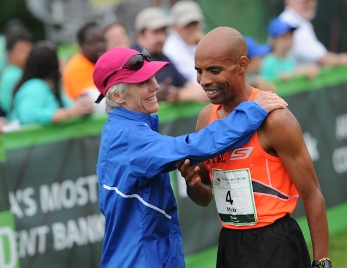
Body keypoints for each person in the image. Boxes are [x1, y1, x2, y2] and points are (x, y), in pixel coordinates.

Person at [92, 47, 287, 267]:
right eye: (142, 82)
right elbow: (192, 147)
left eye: (152, 77)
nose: (156, 85)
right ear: (117, 95)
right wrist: (252, 111)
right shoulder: (127, 136)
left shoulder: (125, 129)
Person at [176, 27, 331, 268]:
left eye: (214, 70)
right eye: (199, 71)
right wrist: (193, 184)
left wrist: (322, 262)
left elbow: (312, 195)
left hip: (276, 242)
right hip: (231, 241)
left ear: (242, 65)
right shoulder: (206, 118)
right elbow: (204, 196)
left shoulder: (276, 119)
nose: (204, 80)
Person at [133, 6, 208, 103]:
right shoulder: (133, 59)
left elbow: (185, 82)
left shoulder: (162, 56)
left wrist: (201, 91)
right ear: (140, 34)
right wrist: (186, 95)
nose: (161, 38)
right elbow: (154, 92)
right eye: (155, 32)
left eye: (163, 32)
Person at [9, 43, 94, 125]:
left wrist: (83, 106)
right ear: (52, 64)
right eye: (58, 58)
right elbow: (29, 117)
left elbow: (67, 104)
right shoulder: (34, 86)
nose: (62, 62)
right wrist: (69, 113)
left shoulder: (49, 87)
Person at [280, 0, 347, 67]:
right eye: (304, 2)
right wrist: (339, 60)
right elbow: (321, 58)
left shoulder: (302, 21)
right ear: (289, 2)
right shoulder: (289, 23)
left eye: (311, 1)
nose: (310, 4)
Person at [62, 21, 106, 112]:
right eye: (93, 42)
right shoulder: (76, 67)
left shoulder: (102, 63)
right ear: (81, 46)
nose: (100, 45)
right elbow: (96, 103)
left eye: (102, 40)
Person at [260, 17, 319, 81]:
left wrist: (307, 70)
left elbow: (293, 73)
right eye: (284, 37)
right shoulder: (268, 62)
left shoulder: (290, 60)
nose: (289, 41)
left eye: (291, 36)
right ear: (273, 40)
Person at [163, 0, 205, 83]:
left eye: (195, 24)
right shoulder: (170, 49)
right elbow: (195, 78)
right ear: (175, 26)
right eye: (187, 25)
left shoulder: (199, 42)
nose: (192, 29)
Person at [0, 28, 32, 118]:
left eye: (28, 50)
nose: (26, 55)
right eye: (21, 51)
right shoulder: (12, 75)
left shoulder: (20, 72)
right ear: (10, 53)